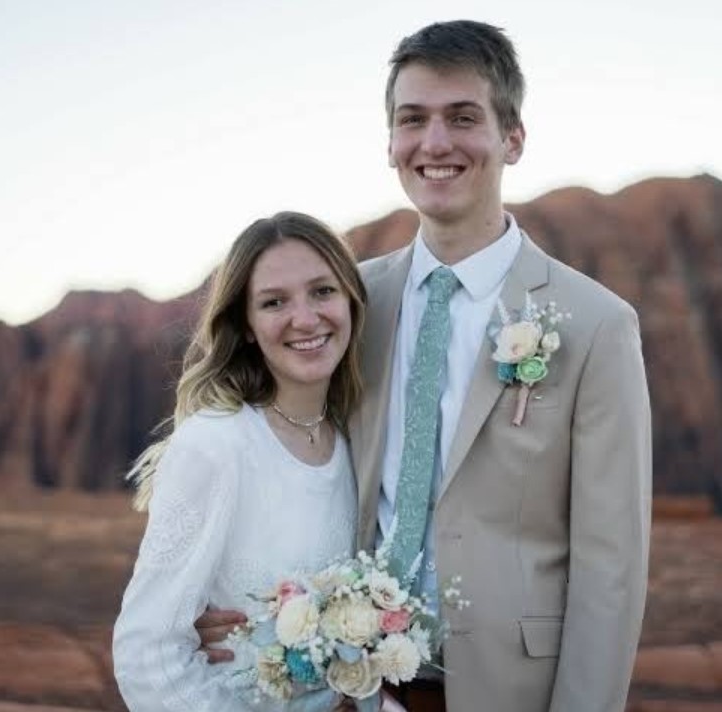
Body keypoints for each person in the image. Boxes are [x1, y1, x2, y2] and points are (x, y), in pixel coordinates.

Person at [197, 20, 651, 712]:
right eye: (413, 120)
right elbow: (278, 452)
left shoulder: (594, 325)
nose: (435, 143)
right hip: (349, 687)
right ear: (390, 144)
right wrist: (226, 593)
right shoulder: (349, 303)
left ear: (513, 138)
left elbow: (610, 564)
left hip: (511, 690)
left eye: (463, 117)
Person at [112, 211, 369, 711]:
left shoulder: (359, 438)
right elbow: (146, 653)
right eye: (274, 302)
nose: (305, 319)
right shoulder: (217, 444)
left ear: (351, 301)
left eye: (322, 291)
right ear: (246, 326)